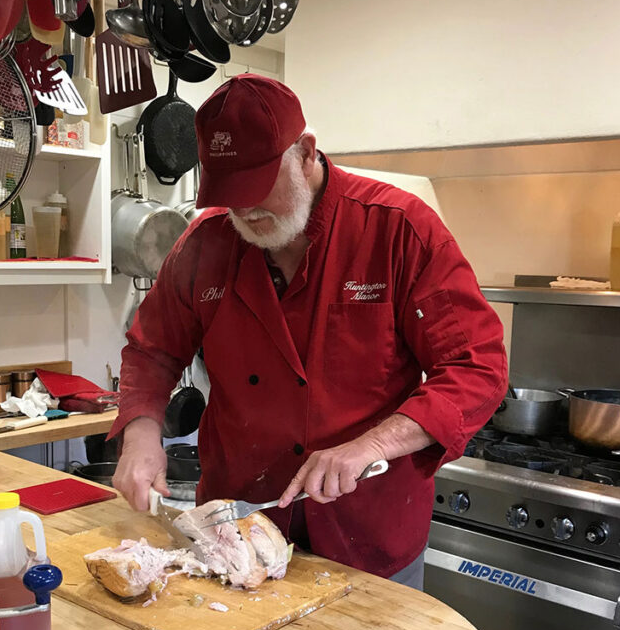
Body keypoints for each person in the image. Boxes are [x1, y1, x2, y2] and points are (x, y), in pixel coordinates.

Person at [109, 74, 508, 590]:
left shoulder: (397, 229)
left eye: (257, 188)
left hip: (368, 538)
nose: (246, 211)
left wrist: (370, 446)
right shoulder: (205, 245)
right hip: (237, 534)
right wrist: (141, 437)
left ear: (305, 152)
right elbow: (152, 351)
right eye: (230, 196)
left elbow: (478, 367)